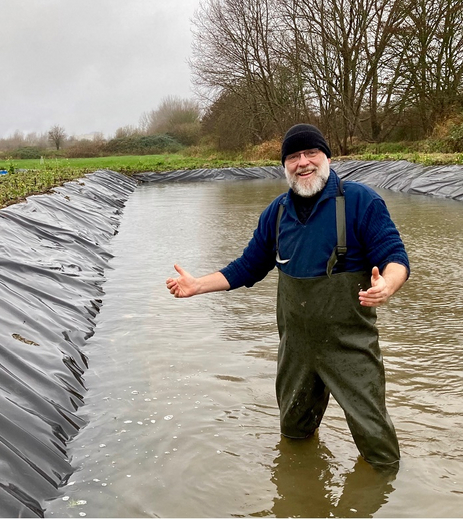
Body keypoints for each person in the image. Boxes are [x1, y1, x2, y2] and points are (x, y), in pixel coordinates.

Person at [165, 123, 409, 468]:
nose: (303, 163)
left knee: (379, 450)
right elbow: (247, 267)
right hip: (296, 348)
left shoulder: (360, 202)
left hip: (351, 347)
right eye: (293, 156)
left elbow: (395, 257)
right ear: (284, 166)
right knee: (294, 437)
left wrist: (387, 284)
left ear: (326, 157)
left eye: (311, 153)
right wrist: (196, 286)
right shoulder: (276, 213)